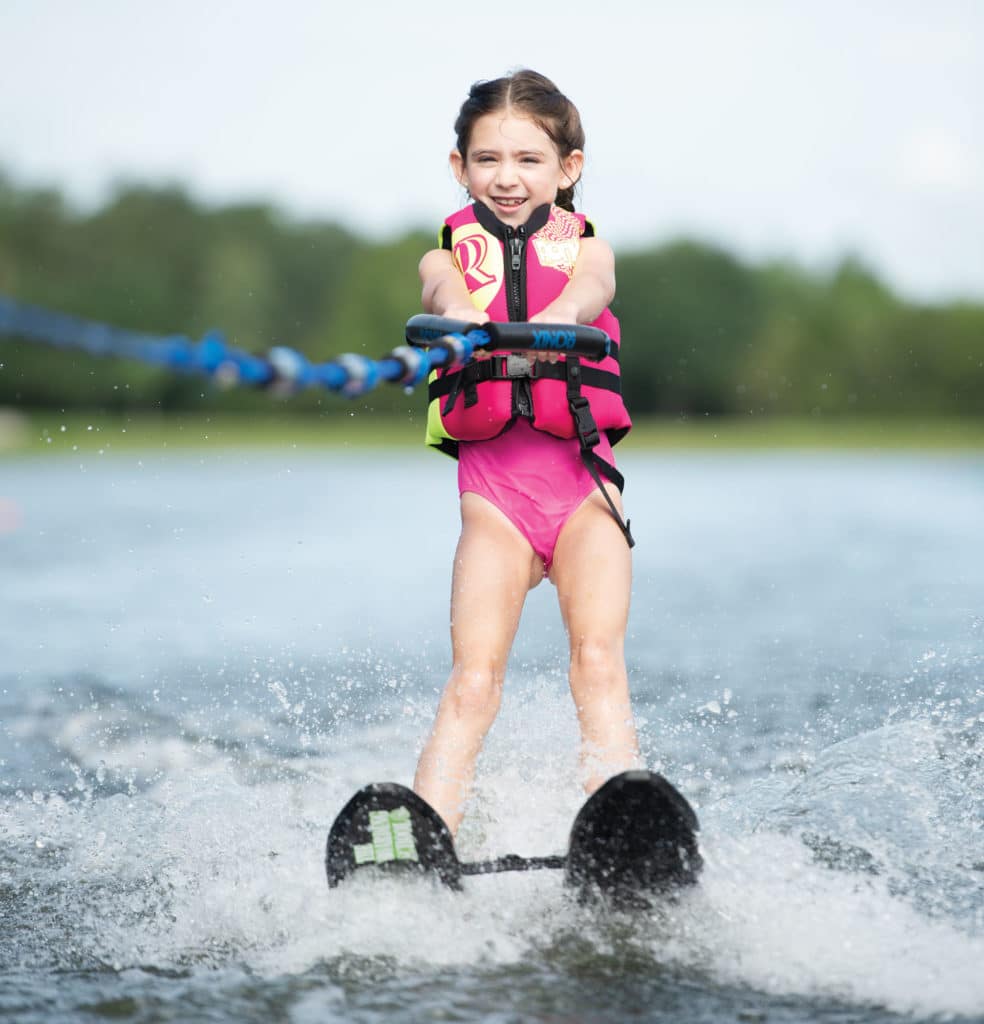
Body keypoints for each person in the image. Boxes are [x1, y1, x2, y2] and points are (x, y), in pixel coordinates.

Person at [413, 69, 640, 835]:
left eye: (528, 160)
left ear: (567, 169)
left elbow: (591, 292)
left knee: (598, 664)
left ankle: (619, 823)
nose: (506, 178)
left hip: (583, 497)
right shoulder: (444, 258)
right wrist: (467, 319)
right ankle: (425, 832)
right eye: (487, 160)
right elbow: (441, 295)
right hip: (496, 507)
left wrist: (555, 317)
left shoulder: (587, 253)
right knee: (474, 682)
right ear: (460, 168)